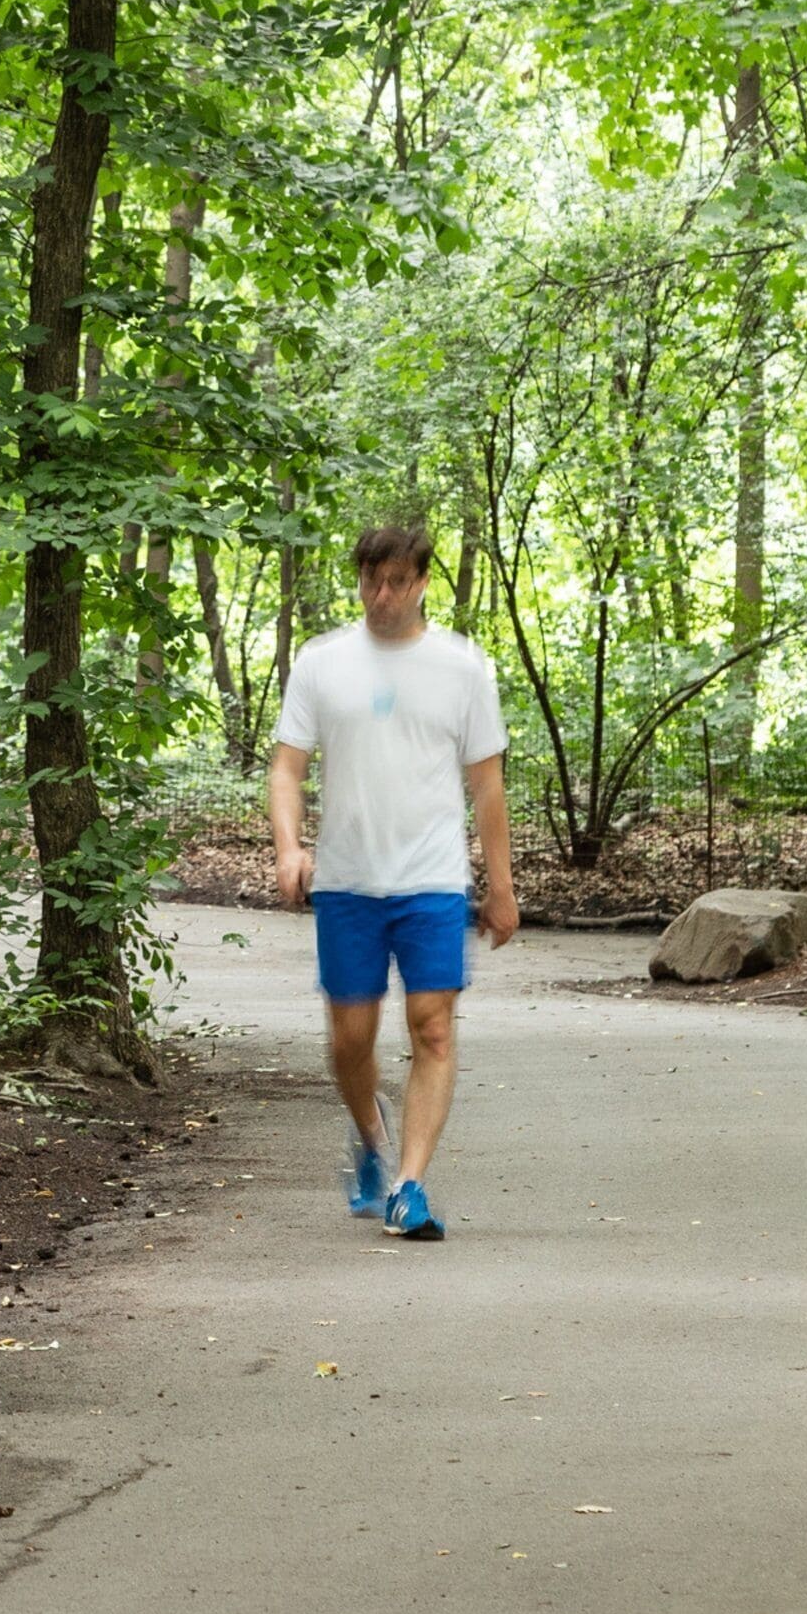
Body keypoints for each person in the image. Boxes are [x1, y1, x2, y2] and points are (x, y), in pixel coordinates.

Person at [268, 522, 515, 1241]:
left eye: (397, 582)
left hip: (432, 879)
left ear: (423, 582)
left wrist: (500, 887)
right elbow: (287, 767)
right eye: (371, 581)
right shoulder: (322, 663)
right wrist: (290, 847)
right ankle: (372, 1138)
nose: (382, 596)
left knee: (432, 1029)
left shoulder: (463, 667)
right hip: (347, 880)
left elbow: (488, 785)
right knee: (351, 1041)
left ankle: (410, 1186)